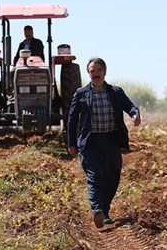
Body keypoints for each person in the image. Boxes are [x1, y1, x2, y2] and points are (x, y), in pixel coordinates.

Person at [67, 57, 141, 229]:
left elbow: (130, 106)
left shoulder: (115, 92)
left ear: (105, 72)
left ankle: (104, 212)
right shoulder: (81, 93)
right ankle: (97, 209)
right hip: (90, 142)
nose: (96, 74)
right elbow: (71, 119)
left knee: (112, 177)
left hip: (111, 140)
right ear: (89, 73)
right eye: (92, 71)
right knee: (94, 177)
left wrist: (135, 114)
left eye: (98, 70)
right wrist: (71, 143)